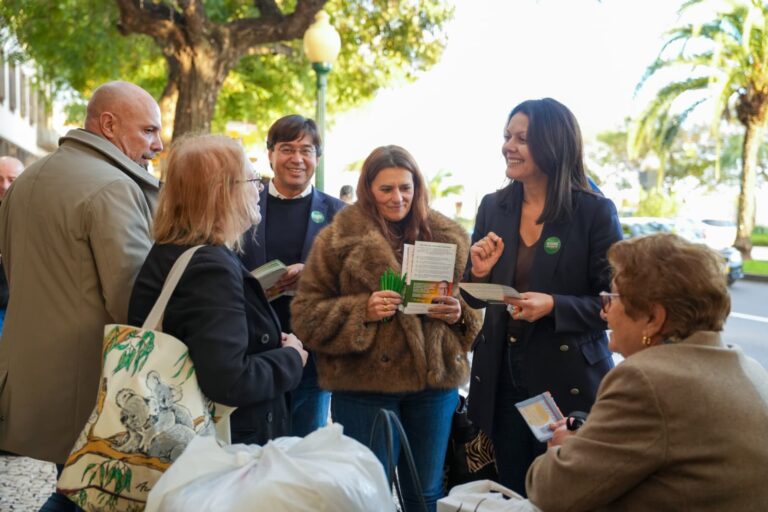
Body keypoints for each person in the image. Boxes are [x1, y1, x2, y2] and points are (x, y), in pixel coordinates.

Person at [291, 145, 482, 512]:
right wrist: (362, 310)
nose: (398, 198)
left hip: (433, 385)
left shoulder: (446, 237)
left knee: (425, 493)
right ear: (368, 189)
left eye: (406, 188)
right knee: (367, 495)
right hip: (364, 388)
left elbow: (474, 310)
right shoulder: (337, 239)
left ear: (418, 187)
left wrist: (459, 314)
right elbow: (305, 315)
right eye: (387, 189)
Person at [0, 81, 162, 511]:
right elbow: (133, 300)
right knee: (89, 498)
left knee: (71, 488)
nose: (157, 144)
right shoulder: (114, 187)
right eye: (148, 130)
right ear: (108, 125)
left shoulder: (30, 176)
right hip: (91, 378)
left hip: (38, 373)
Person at [526, 233, 768, 511]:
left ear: (653, 318)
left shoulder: (645, 380)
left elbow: (551, 492)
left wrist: (562, 446)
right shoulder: (748, 368)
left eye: (612, 298)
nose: (604, 313)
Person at [463, 98, 623, 495]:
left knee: (565, 492)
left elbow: (615, 303)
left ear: (553, 144)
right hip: (500, 375)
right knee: (511, 489)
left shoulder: (594, 212)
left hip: (565, 378)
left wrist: (555, 306)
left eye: (522, 138)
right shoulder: (492, 206)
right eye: (507, 136)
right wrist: (478, 271)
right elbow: (475, 298)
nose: (508, 146)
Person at [128, 134, 307, 445]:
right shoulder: (210, 267)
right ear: (224, 191)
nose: (260, 188)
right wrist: (291, 357)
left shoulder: (178, 249)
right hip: (224, 446)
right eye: (253, 179)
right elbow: (229, 380)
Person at [239, 115, 345, 437]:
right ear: (270, 154)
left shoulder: (339, 214)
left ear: (317, 158)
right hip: (252, 352)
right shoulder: (241, 204)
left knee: (303, 453)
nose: (297, 159)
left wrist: (313, 277)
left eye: (306, 150)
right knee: (253, 451)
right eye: (287, 149)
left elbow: (355, 280)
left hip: (313, 357)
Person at [0, 156, 24, 337]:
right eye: (0, 179)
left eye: (11, 180)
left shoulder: (30, 213)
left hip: (14, 308)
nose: (5, 185)